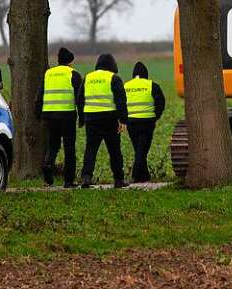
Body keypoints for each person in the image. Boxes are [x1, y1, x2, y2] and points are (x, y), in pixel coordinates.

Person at [77, 53, 128, 189]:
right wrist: (123, 120)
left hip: (91, 119)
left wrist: (81, 119)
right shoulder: (114, 78)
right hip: (109, 119)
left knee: (91, 149)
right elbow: (121, 100)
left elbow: (80, 99)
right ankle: (118, 179)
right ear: (112, 65)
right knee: (114, 150)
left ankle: (86, 177)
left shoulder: (88, 77)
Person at [35, 47, 82, 188]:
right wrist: (82, 117)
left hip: (48, 115)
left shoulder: (48, 74)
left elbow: (40, 94)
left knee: (53, 144)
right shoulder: (73, 74)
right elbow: (79, 99)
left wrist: (38, 113)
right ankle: (68, 181)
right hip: (67, 115)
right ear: (70, 61)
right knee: (69, 147)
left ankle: (48, 164)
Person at [124, 61, 166, 183]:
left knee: (139, 149)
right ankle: (136, 176)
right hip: (147, 123)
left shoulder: (126, 86)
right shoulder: (152, 85)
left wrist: (123, 119)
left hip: (131, 122)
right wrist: (155, 117)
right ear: (145, 74)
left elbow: (120, 103)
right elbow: (161, 103)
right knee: (141, 151)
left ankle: (144, 176)